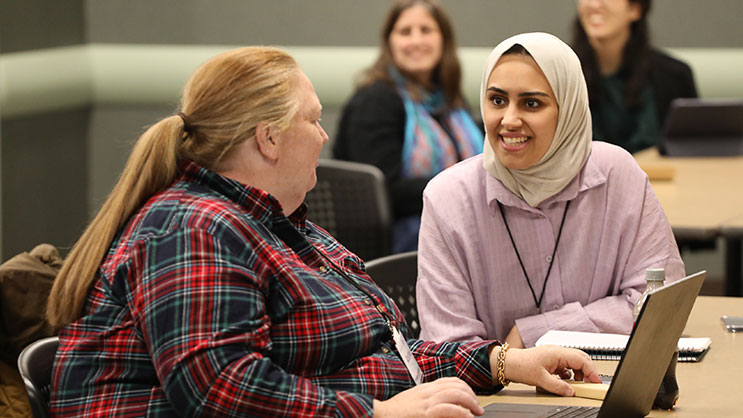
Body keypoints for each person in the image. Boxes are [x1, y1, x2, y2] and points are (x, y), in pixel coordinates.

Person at [45, 46, 600, 418]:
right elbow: (219, 387)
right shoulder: (191, 227)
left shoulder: (278, 224)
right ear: (268, 139)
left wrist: (502, 363)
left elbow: (388, 353)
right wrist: (379, 413)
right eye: (312, 119)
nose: (324, 134)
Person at [416, 33, 685, 349]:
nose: (510, 120)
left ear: (568, 108)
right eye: (497, 100)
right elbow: (449, 348)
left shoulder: (616, 174)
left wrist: (538, 333)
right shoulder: (448, 198)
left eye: (531, 103)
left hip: (611, 385)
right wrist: (511, 364)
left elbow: (662, 306)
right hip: (498, 395)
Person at [334, 0, 483, 253]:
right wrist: (464, 187)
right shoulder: (375, 100)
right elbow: (378, 191)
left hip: (456, 226)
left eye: (426, 30)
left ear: (443, 39)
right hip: (397, 242)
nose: (416, 41)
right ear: (389, 42)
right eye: (405, 32)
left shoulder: (450, 100)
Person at [572, 0, 697, 154]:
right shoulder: (560, 74)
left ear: (635, 9)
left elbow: (691, 147)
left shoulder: (674, 75)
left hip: (657, 176)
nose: (594, 4)